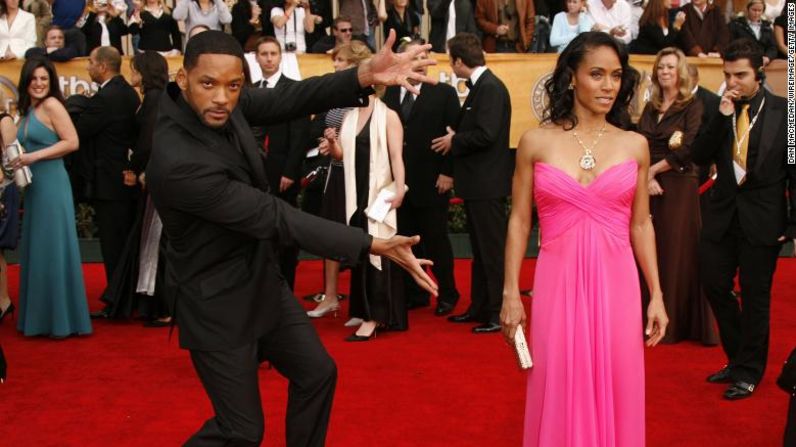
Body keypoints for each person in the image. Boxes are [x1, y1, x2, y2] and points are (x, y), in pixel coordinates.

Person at [146, 29, 437, 446]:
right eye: (208, 84)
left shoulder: (225, 99)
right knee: (241, 432)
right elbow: (274, 216)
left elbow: (291, 98)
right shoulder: (177, 161)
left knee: (317, 373)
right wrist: (371, 243)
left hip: (260, 280)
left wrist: (365, 74)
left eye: (233, 86)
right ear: (183, 79)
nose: (222, 99)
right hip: (216, 302)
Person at [501, 31, 669, 446]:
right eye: (597, 74)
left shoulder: (635, 145)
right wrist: (509, 293)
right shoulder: (535, 142)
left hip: (618, 285)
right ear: (572, 76)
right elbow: (520, 221)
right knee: (557, 377)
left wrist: (657, 294)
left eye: (615, 75)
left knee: (617, 379)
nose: (609, 85)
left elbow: (641, 225)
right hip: (557, 282)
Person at [694, 38, 795, 400]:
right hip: (722, 215)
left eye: (740, 75)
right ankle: (739, 359)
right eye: (727, 75)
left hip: (764, 219)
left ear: (760, 73)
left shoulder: (787, 112)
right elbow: (698, 155)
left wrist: (793, 222)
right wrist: (721, 117)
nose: (733, 82)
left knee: (756, 297)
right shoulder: (717, 108)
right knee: (715, 285)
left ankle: (749, 371)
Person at [319, 44, 408, 341]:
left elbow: (397, 158)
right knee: (360, 251)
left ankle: (376, 316)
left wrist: (398, 190)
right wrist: (332, 143)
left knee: (377, 256)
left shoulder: (389, 116)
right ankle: (360, 308)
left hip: (379, 195)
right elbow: (341, 156)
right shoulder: (349, 116)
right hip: (353, 194)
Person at [637, 47, 718, 345]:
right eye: (660, 67)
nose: (665, 72)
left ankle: (676, 323)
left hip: (679, 182)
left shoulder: (693, 104)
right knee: (650, 248)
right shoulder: (650, 105)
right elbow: (639, 141)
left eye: (670, 67)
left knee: (675, 249)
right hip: (649, 183)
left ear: (680, 71)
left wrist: (652, 172)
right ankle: (646, 315)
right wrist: (646, 175)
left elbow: (691, 147)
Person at [11, 57, 92, 338]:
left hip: (53, 185)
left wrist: (33, 156)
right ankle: (39, 319)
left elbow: (72, 142)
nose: (39, 83)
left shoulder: (52, 105)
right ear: (26, 81)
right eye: (34, 79)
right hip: (35, 188)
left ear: (52, 82)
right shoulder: (29, 108)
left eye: (44, 79)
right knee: (38, 249)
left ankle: (60, 320)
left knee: (53, 249)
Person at [436, 33, 512, 334]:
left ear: (458, 61)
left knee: (491, 252)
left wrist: (454, 140)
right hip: (480, 185)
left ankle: (496, 312)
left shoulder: (490, 88)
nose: (450, 66)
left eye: (450, 59)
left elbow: (487, 134)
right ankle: (481, 307)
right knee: (481, 251)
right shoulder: (484, 86)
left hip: (487, 185)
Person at [384, 39, 461, 316]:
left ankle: (448, 294)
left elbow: (457, 137)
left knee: (437, 241)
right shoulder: (390, 93)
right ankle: (415, 293)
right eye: (414, 56)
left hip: (433, 181)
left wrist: (448, 173)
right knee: (405, 242)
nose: (420, 60)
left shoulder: (444, 93)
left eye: (424, 55)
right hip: (399, 185)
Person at [103, 51, 171, 325]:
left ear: (144, 71)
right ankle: (155, 304)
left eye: (134, 68)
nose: (130, 72)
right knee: (153, 242)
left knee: (157, 242)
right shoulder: (155, 98)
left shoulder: (155, 99)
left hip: (158, 179)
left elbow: (148, 141)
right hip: (155, 176)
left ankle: (164, 308)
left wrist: (134, 166)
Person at [74, 46, 141, 317]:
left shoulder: (106, 97)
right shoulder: (128, 92)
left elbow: (79, 131)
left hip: (109, 183)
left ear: (102, 66)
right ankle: (127, 299)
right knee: (123, 241)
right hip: (124, 180)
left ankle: (118, 303)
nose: (88, 67)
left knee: (113, 245)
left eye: (90, 62)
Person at [305, 42, 367, 319]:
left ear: (354, 64)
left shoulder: (365, 96)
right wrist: (325, 140)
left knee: (358, 235)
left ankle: (362, 303)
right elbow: (322, 126)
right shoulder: (335, 93)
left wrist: (338, 143)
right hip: (334, 170)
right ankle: (330, 296)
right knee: (330, 235)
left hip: (356, 174)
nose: (336, 65)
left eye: (341, 61)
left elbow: (366, 139)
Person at [250, 36, 310, 289]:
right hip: (255, 175)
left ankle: (285, 288)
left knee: (285, 234)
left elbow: (300, 136)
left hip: (283, 175)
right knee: (259, 232)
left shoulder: (293, 89)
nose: (269, 58)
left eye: (273, 53)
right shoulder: (250, 90)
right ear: (256, 57)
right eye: (264, 54)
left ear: (280, 56)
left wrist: (290, 172)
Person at [0, 112, 19, 325]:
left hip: (2, 190)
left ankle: (3, 301)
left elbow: (11, 161)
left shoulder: (4, 120)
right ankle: (3, 301)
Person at [728, 0, 777, 66]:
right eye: (754, 10)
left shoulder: (767, 27)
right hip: (742, 63)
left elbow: (772, 47)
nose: (756, 13)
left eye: (759, 11)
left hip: (762, 64)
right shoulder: (736, 25)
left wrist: (767, 57)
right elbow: (731, 45)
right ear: (747, 9)